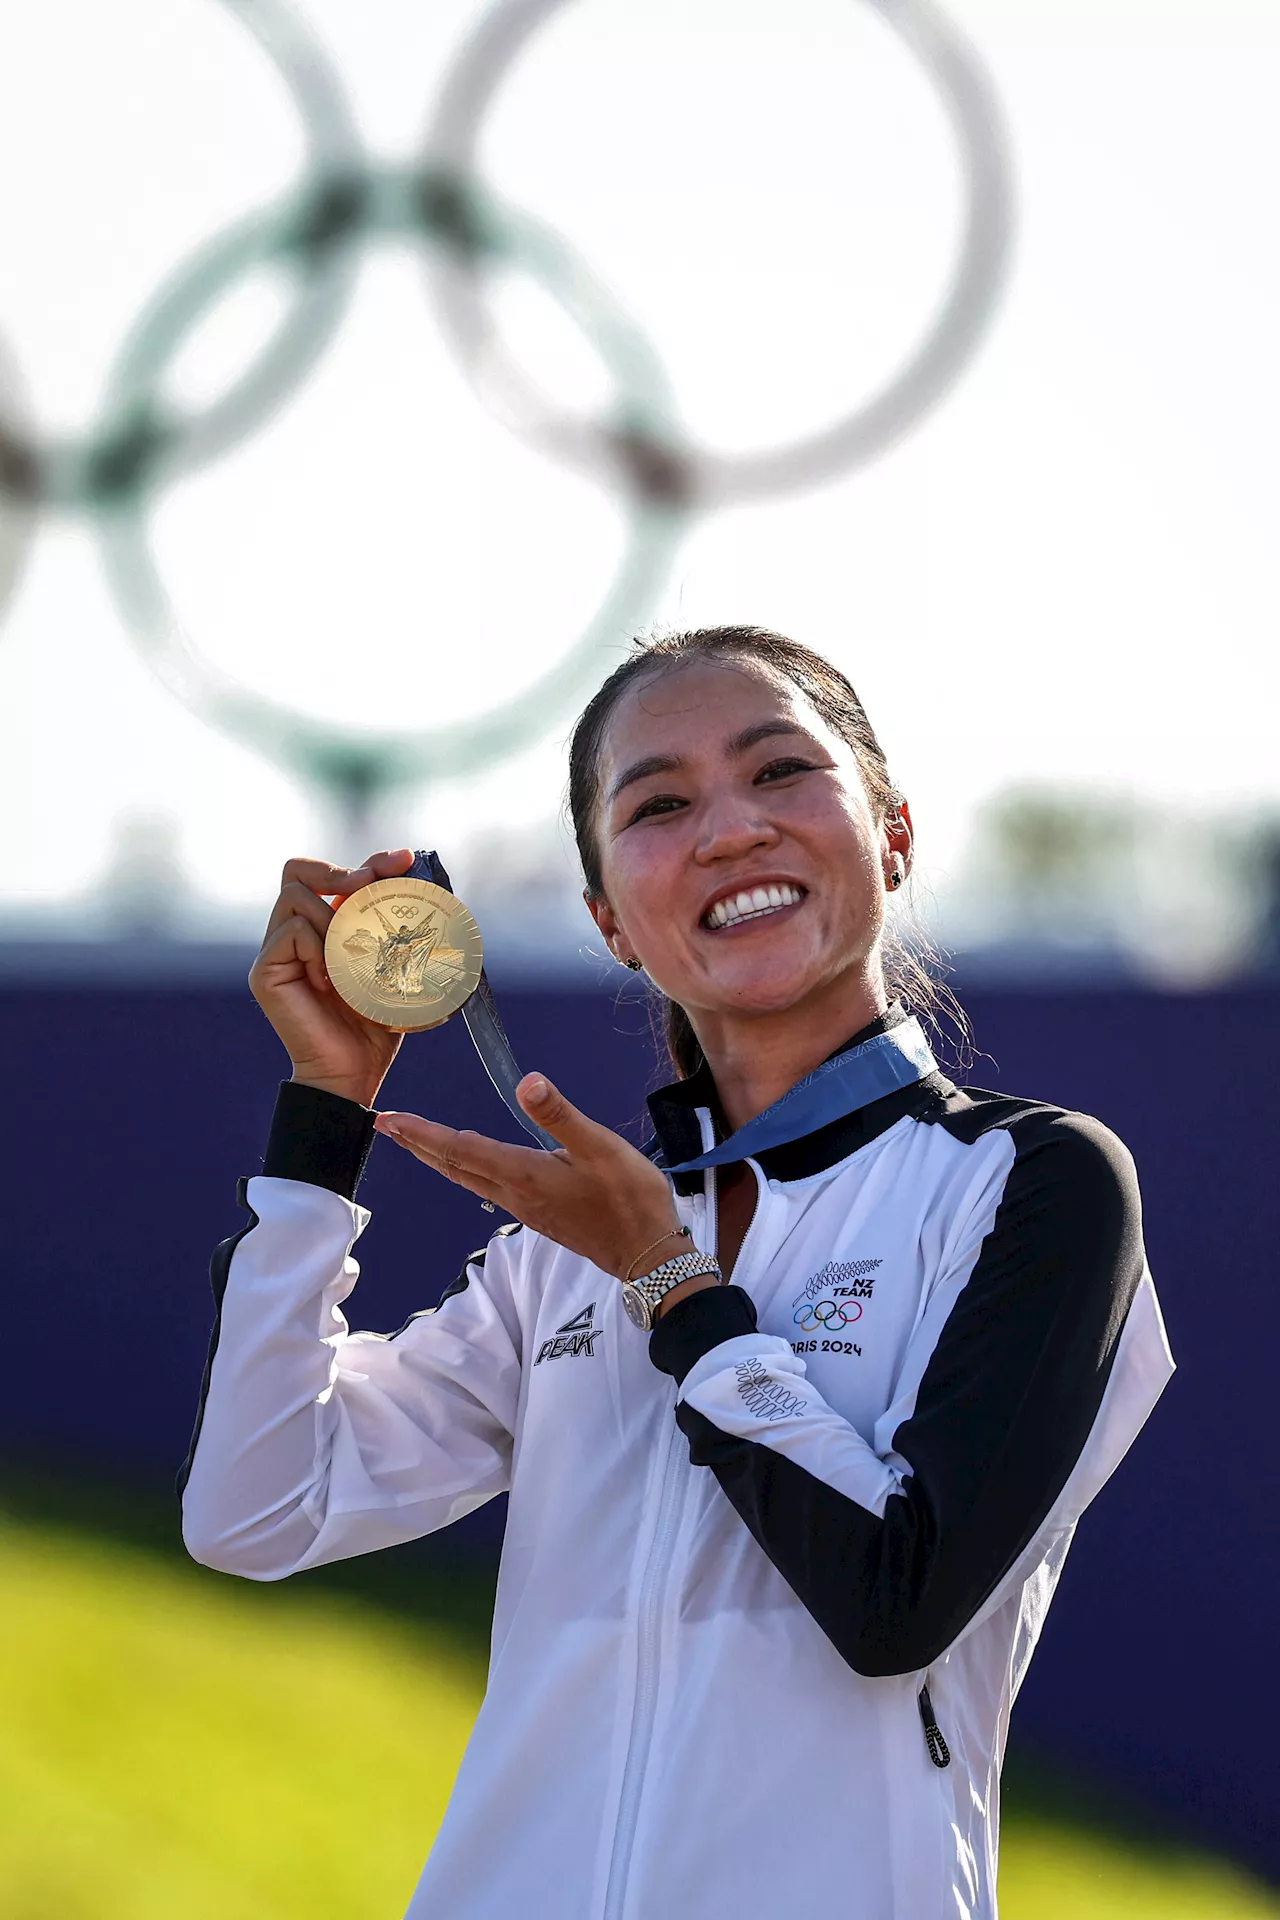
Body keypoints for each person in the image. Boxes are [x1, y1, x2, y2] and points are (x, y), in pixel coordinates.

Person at [180, 625, 1174, 1920]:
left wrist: (668, 1282)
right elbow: (255, 1513)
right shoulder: (566, 1249)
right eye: (659, 803)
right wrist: (323, 1115)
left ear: (892, 832)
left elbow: (896, 1602)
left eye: (778, 773)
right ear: (611, 922)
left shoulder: (1029, 1181)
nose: (728, 830)